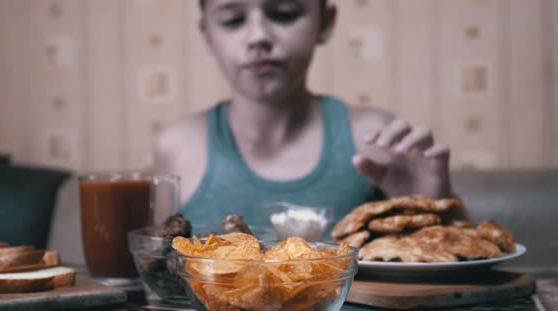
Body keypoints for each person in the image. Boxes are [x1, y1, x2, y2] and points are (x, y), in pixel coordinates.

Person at [154, 0, 462, 228]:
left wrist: (436, 208)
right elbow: (154, 278)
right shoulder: (178, 147)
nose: (258, 36)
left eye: (285, 13)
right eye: (233, 20)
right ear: (207, 33)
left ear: (325, 23)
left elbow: (460, 271)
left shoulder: (374, 138)